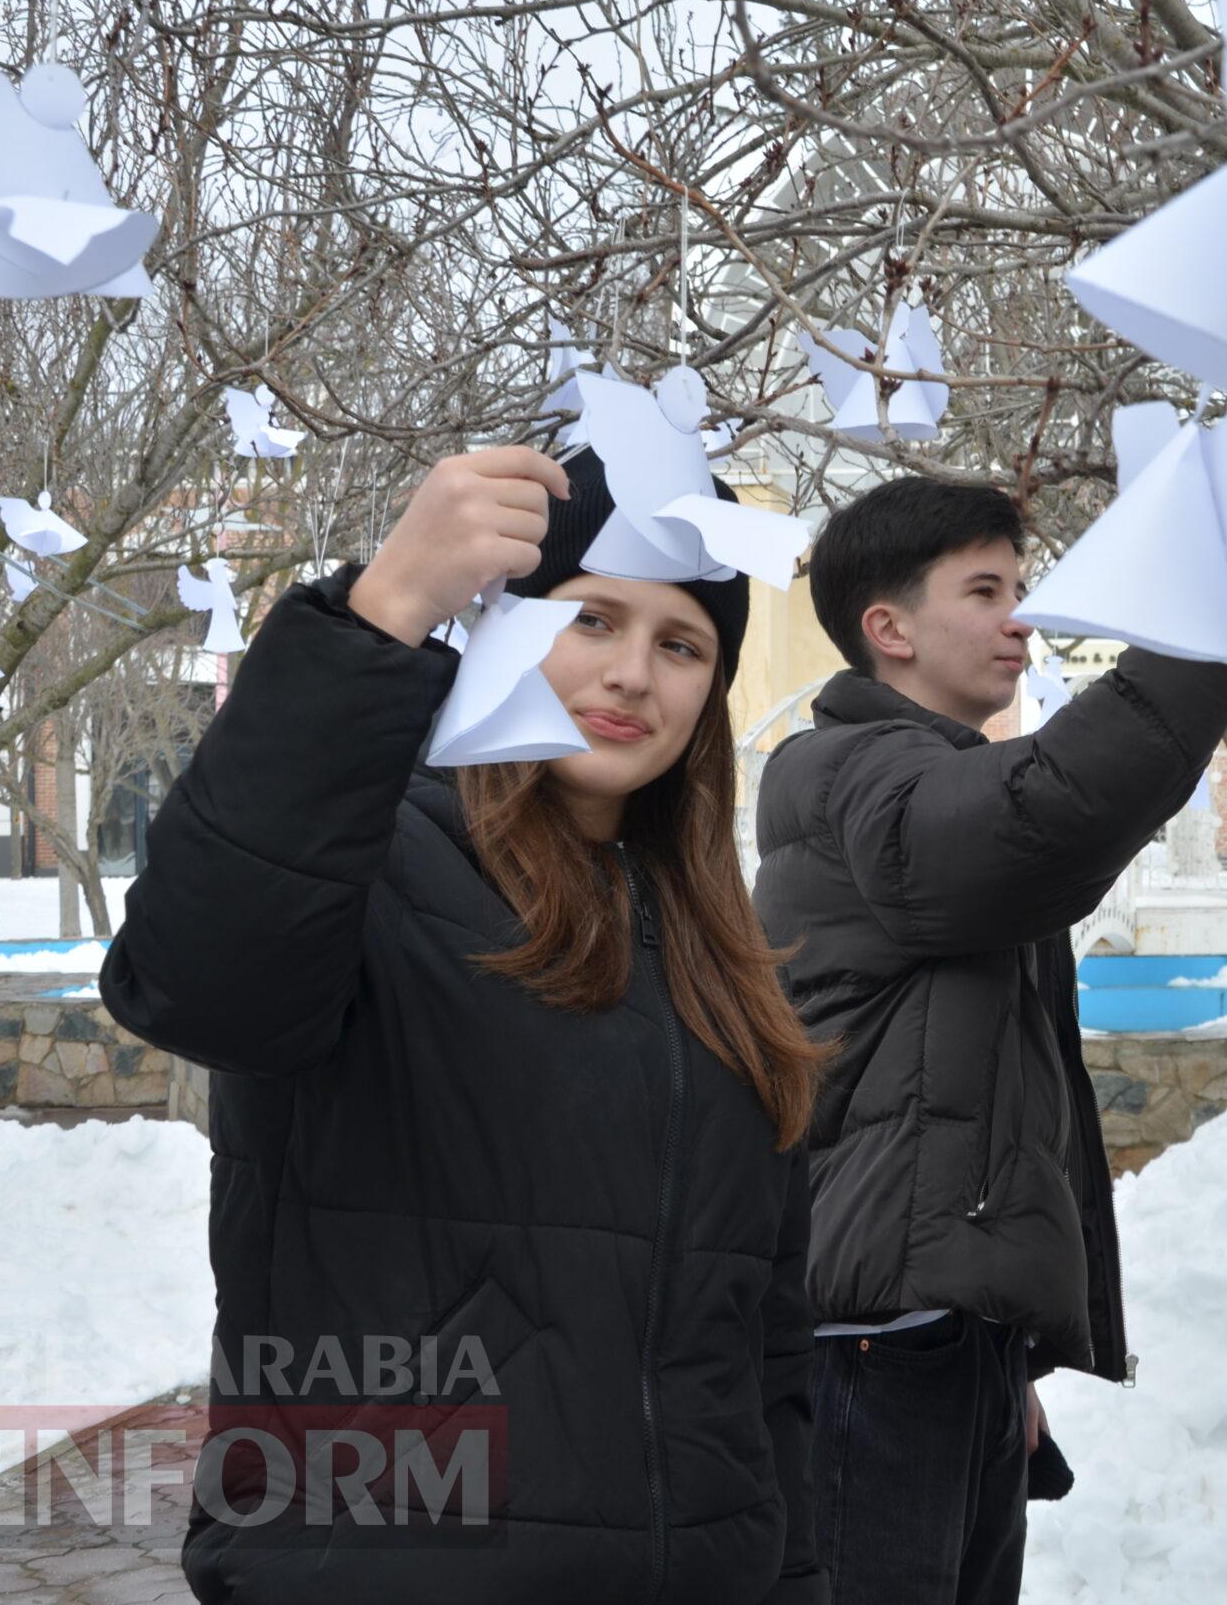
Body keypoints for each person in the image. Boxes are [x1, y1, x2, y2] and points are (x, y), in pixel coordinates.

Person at [102, 447, 831, 1605]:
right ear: (499, 623)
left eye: (681, 643)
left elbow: (766, 1348)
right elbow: (195, 981)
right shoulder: (365, 860)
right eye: (591, 618)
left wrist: (788, 1578)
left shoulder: (722, 961)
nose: (634, 673)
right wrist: (382, 610)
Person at [754, 475, 1227, 1605]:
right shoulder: (847, 774)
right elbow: (1045, 813)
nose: (1019, 619)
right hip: (873, 1349)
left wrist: (996, 1342)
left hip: (941, 1344)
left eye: (1020, 588)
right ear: (885, 629)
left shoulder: (922, 785)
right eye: (983, 591)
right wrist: (1222, 611)